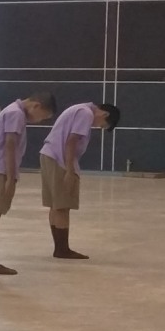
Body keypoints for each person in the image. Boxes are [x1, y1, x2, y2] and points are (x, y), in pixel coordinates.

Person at [0, 92, 57, 275]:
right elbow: (10, 145)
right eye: (42, 117)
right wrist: (11, 178)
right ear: (36, 106)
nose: (39, 121)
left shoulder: (11, 110)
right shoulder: (16, 114)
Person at [40, 101, 121, 260]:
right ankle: (62, 249)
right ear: (105, 114)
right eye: (102, 125)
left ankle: (59, 248)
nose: (97, 127)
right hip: (60, 160)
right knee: (63, 205)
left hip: (49, 155)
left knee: (55, 205)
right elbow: (72, 141)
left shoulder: (79, 109)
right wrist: (70, 170)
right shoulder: (86, 113)